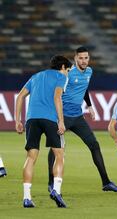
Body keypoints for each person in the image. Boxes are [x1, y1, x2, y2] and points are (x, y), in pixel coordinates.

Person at [47, 46, 117, 192]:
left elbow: (84, 87)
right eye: (80, 58)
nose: (84, 60)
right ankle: (51, 183)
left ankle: (106, 182)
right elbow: (55, 93)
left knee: (94, 145)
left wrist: (89, 105)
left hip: (78, 117)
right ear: (75, 59)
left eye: (86, 58)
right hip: (63, 116)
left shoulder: (89, 71)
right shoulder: (67, 73)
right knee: (55, 149)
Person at [15, 55, 72, 208]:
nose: (68, 73)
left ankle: (26, 198)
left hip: (32, 119)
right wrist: (61, 120)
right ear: (62, 68)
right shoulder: (61, 77)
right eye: (68, 70)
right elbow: (57, 97)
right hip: (50, 119)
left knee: (31, 157)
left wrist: (17, 120)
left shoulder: (36, 76)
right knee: (59, 154)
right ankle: (56, 191)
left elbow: (20, 96)